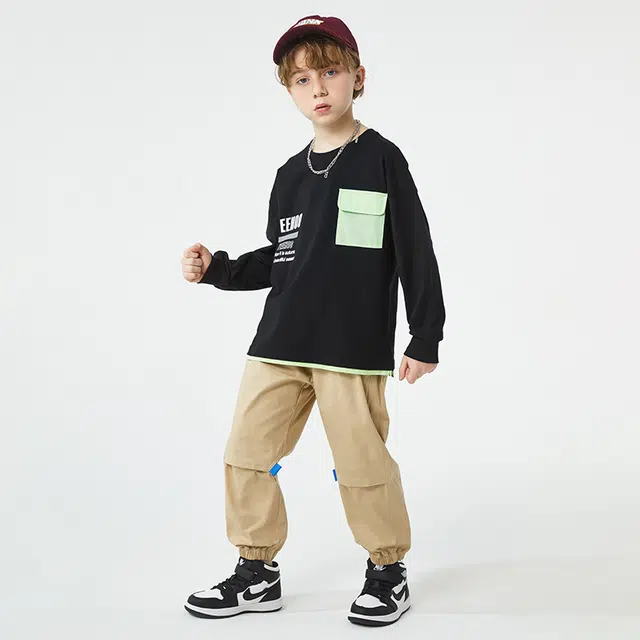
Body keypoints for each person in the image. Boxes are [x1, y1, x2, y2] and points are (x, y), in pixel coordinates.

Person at [179, 14, 446, 627]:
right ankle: (256, 572)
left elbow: (415, 250)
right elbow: (282, 257)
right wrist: (218, 268)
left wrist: (425, 335)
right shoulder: (289, 176)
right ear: (289, 91)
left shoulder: (382, 159)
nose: (317, 87)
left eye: (329, 72)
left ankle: (387, 571)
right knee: (246, 454)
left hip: (350, 347)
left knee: (361, 463)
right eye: (301, 79)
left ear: (357, 77)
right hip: (279, 342)